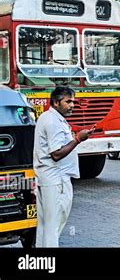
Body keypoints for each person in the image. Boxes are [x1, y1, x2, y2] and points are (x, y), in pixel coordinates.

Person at [33, 87, 94, 247]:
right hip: (56, 180)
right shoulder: (53, 121)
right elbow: (56, 154)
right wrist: (78, 139)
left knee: (46, 227)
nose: (72, 105)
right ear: (55, 102)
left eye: (73, 101)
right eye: (68, 102)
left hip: (48, 179)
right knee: (53, 227)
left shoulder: (48, 117)